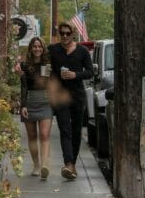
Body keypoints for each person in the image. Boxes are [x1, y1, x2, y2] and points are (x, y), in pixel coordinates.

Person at [48, 22, 93, 180]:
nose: (64, 36)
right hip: (61, 97)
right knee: (65, 130)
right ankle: (68, 163)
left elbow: (90, 72)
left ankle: (72, 165)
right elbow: (46, 67)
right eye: (62, 33)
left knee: (76, 131)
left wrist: (75, 75)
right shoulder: (53, 50)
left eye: (67, 33)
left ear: (73, 34)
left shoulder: (82, 51)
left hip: (77, 96)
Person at [19, 36, 53, 180]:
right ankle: (36, 165)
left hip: (45, 102)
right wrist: (23, 105)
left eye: (39, 46)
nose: (37, 49)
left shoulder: (47, 64)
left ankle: (45, 166)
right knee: (32, 136)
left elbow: (45, 83)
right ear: (31, 49)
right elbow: (24, 87)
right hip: (30, 102)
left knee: (44, 135)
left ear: (43, 48)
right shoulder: (25, 65)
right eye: (34, 46)